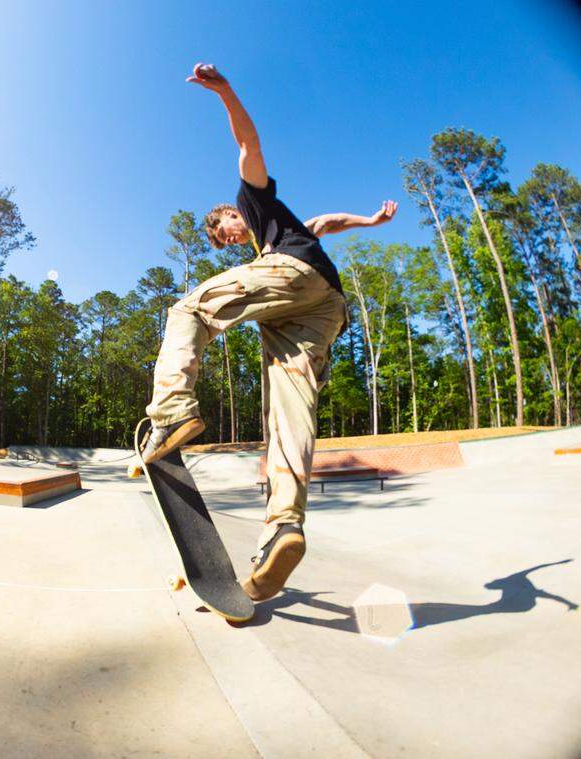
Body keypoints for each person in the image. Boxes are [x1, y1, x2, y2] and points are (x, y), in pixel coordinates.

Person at [132, 62, 397, 602]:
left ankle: (171, 412)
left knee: (190, 310)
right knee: (288, 411)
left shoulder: (253, 200)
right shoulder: (287, 226)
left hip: (291, 276)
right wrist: (369, 222)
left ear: (232, 212)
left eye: (224, 232)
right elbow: (326, 222)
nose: (227, 241)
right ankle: (284, 526)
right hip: (323, 307)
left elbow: (248, 142)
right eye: (224, 242)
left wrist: (225, 91)